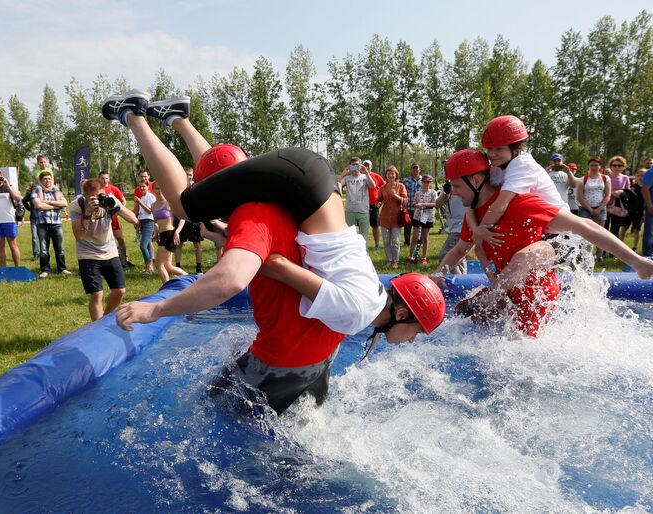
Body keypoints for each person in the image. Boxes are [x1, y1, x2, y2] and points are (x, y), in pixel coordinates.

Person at [103, 90, 446, 415]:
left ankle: (175, 117)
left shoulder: (369, 293)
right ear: (402, 313)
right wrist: (160, 309)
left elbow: (254, 259)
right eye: (417, 332)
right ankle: (135, 115)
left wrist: (227, 242)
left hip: (313, 183)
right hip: (305, 183)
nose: (413, 341)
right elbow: (270, 267)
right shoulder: (357, 310)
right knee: (187, 205)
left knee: (209, 191)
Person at [435, 149, 653, 336]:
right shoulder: (473, 215)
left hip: (536, 297)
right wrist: (437, 276)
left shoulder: (521, 204)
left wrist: (635, 261)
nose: (452, 193)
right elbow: (459, 250)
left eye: (456, 186)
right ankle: (494, 296)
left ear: (475, 180)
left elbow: (584, 226)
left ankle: (493, 297)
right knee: (464, 315)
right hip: (509, 291)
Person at [464, 116, 569, 269]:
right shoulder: (497, 167)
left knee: (517, 265)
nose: (492, 154)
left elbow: (499, 206)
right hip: (537, 234)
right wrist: (476, 230)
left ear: (516, 148)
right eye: (489, 149)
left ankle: (496, 293)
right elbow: (473, 202)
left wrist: (480, 233)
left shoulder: (522, 165)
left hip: (560, 235)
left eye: (499, 148)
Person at [70, 178, 138, 320]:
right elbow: (79, 235)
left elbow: (133, 219)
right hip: (87, 255)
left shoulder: (110, 201)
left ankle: (104, 319)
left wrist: (115, 207)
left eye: (100, 195)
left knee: (119, 290)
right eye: (92, 198)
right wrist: (87, 212)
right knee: (97, 294)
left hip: (110, 252)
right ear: (85, 196)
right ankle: (97, 329)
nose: (97, 200)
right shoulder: (77, 205)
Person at [31, 169, 71, 277]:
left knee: (60, 248)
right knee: (44, 249)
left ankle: (62, 268)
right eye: (45, 179)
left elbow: (64, 203)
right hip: (42, 224)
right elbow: (39, 206)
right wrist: (56, 205)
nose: (48, 181)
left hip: (56, 223)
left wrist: (46, 202)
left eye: (49, 179)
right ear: (41, 180)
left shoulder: (56, 190)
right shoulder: (36, 191)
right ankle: (45, 270)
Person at [98, 170, 132, 269]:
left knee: (120, 239)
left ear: (109, 179)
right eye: (102, 178)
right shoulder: (97, 189)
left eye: (106, 178)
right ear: (99, 179)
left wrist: (118, 212)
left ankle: (125, 261)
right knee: (104, 241)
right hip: (102, 221)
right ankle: (106, 263)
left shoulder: (113, 188)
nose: (104, 180)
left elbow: (123, 201)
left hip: (114, 220)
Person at [151, 190, 187, 283]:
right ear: (154, 190)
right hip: (162, 236)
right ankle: (192, 279)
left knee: (159, 264)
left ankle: (166, 288)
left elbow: (182, 218)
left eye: (160, 188)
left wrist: (177, 232)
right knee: (168, 266)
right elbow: (156, 222)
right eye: (156, 188)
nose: (159, 191)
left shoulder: (169, 203)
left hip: (170, 234)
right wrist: (155, 233)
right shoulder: (153, 205)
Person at [174, 167, 204, 274]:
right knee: (179, 243)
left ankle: (199, 267)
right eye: (187, 174)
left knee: (197, 244)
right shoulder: (178, 186)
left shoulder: (196, 186)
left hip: (194, 219)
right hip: (181, 218)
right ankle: (178, 266)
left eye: (190, 174)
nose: (189, 176)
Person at [377, 165, 408, 269]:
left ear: (396, 175)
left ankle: (396, 261)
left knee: (395, 241)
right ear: (386, 175)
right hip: (384, 218)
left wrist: (395, 196)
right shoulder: (382, 188)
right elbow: (379, 199)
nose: (390, 175)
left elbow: (405, 201)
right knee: (386, 241)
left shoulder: (401, 186)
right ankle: (389, 260)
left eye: (392, 173)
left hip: (397, 218)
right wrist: (378, 203)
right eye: (389, 173)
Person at [339, 157, 375, 243]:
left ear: (360, 166)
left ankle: (363, 254)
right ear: (350, 166)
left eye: (357, 165)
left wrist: (366, 172)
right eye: (353, 165)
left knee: (364, 237)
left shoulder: (365, 177)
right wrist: (343, 174)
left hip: (363, 212)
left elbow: (373, 186)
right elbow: (337, 185)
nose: (355, 167)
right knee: (349, 236)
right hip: (350, 211)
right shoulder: (347, 178)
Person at [435, 180, 467, 275]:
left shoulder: (467, 183)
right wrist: (445, 193)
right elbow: (437, 204)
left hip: (461, 228)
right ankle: (464, 281)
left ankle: (459, 281)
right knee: (459, 257)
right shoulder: (448, 187)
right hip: (455, 227)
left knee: (445, 256)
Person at [407, 175, 438, 265]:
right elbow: (413, 204)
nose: (426, 184)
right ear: (422, 182)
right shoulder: (417, 193)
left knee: (425, 237)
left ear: (430, 183)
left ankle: (424, 257)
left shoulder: (433, 193)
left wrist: (424, 204)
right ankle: (411, 256)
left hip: (428, 217)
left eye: (428, 182)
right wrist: (417, 205)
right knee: (415, 237)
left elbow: (435, 204)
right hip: (418, 216)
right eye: (424, 182)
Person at [619, 169, 645, 253]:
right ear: (636, 177)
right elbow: (626, 199)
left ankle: (634, 247)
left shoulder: (647, 188)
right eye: (639, 175)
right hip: (629, 211)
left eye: (643, 175)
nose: (640, 177)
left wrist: (644, 213)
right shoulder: (632, 187)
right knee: (623, 228)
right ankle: (620, 245)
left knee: (637, 229)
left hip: (639, 212)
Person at [132, 181, 156, 274]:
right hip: (142, 222)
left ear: (148, 187)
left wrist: (139, 202)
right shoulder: (142, 197)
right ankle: (150, 268)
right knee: (148, 245)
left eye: (143, 186)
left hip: (149, 222)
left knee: (143, 246)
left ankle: (148, 265)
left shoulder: (150, 196)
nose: (141, 188)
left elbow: (150, 211)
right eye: (140, 187)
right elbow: (141, 212)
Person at [606, 156, 631, 241]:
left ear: (623, 167)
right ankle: (603, 252)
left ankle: (613, 252)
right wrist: (612, 193)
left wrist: (621, 192)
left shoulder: (625, 178)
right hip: (605, 206)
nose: (617, 167)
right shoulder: (606, 177)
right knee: (604, 230)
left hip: (618, 207)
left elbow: (628, 192)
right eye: (614, 165)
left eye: (619, 165)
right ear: (611, 166)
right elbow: (601, 190)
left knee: (615, 230)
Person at [364, 159, 386, 250]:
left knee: (375, 226)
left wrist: (381, 200)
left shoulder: (376, 176)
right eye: (365, 165)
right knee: (363, 226)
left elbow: (384, 187)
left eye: (368, 165)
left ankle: (377, 244)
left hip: (374, 204)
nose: (366, 167)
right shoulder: (360, 176)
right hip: (362, 205)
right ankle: (363, 246)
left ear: (371, 166)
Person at [402, 163, 422, 246]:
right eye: (413, 168)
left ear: (419, 170)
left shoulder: (424, 180)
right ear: (411, 170)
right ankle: (407, 242)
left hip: (420, 208)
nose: (415, 170)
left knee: (419, 227)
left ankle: (419, 243)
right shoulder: (406, 181)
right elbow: (403, 193)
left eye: (417, 168)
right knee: (407, 227)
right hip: (409, 207)